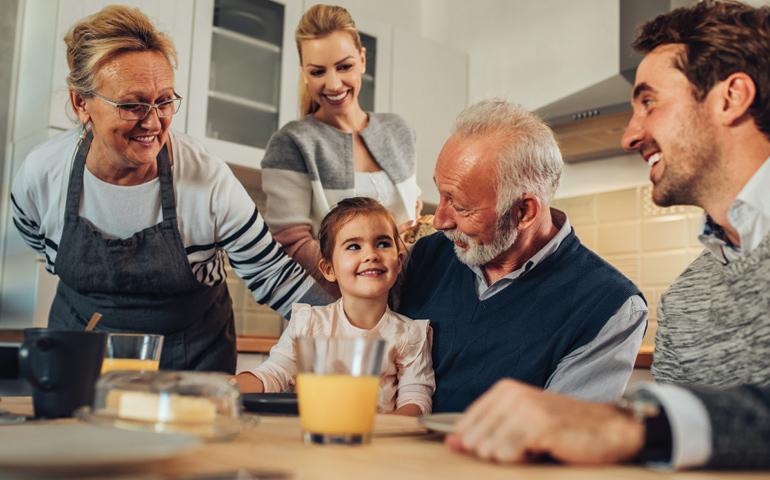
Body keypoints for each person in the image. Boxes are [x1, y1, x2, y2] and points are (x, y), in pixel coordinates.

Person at [446, 1, 770, 470]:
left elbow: (660, 430)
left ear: (730, 97)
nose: (629, 134)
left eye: (649, 101)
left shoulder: (612, 302)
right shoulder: (686, 301)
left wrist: (638, 424)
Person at [10, 6, 330, 373]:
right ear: (81, 103)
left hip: (189, 362)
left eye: (164, 101)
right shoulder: (42, 175)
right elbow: (37, 242)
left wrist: (362, 335)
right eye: (132, 105)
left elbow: (275, 277)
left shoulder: (207, 181)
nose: (153, 122)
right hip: (79, 357)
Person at [397, 100, 648, 413]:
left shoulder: (610, 307)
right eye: (441, 194)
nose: (440, 220)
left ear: (523, 211)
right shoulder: (426, 256)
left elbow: (556, 436)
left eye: (460, 206)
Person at [260, 4, 421, 292]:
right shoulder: (292, 143)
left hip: (406, 304)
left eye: (344, 66)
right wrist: (365, 282)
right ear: (304, 73)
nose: (333, 84)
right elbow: (293, 245)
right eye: (318, 71)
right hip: (333, 314)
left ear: (362, 59)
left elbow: (411, 218)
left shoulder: (399, 132)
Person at [236, 198, 434, 416]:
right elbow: (274, 374)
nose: (371, 255)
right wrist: (223, 388)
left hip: (378, 445)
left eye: (383, 243)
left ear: (398, 262)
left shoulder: (410, 334)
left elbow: (416, 400)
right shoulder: (308, 323)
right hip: (315, 440)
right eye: (354, 246)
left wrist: (379, 434)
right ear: (329, 268)